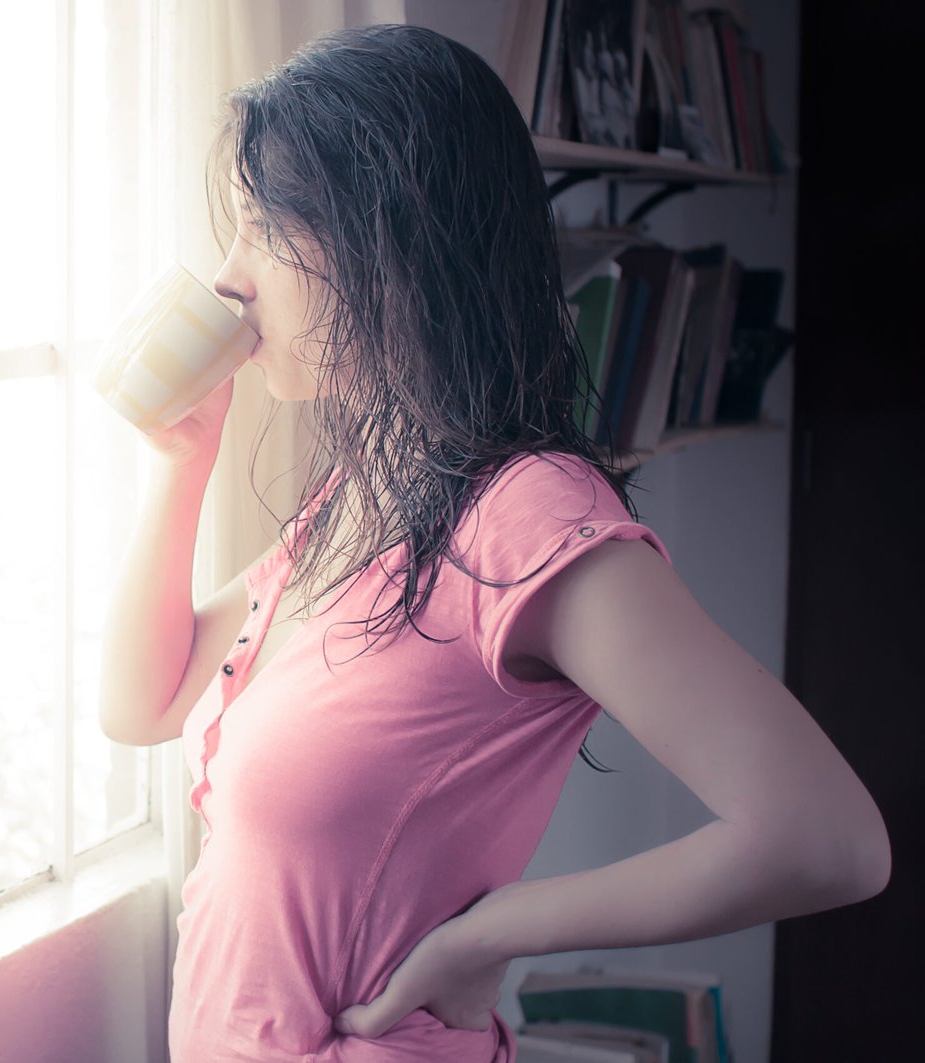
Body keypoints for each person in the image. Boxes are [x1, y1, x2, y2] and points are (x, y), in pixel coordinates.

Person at [96, 23, 890, 1063]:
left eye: (259, 229)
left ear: (384, 237)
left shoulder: (526, 514)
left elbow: (826, 839)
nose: (230, 279)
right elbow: (141, 702)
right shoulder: (362, 499)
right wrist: (180, 462)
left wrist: (490, 934)